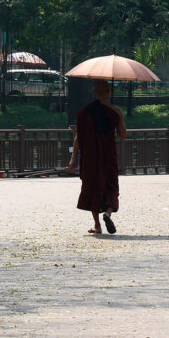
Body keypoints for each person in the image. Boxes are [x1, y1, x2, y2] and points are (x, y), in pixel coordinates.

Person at [68, 79, 127, 234]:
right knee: (111, 186)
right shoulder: (115, 112)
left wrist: (73, 158)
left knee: (92, 188)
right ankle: (107, 213)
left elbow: (79, 137)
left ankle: (97, 225)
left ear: (94, 92)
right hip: (109, 156)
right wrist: (120, 118)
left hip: (90, 158)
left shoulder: (84, 112)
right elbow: (123, 136)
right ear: (108, 93)